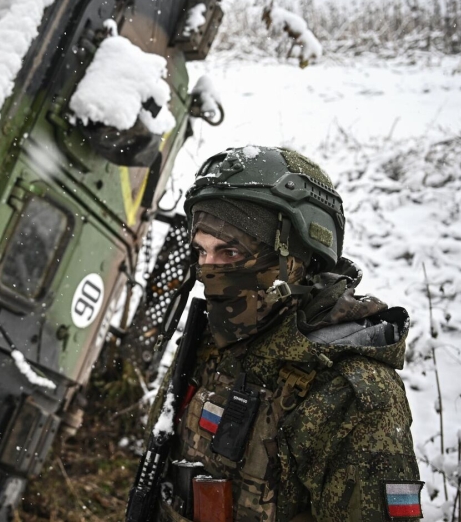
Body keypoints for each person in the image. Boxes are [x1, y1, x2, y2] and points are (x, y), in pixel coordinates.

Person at [152, 146, 422, 522]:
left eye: (230, 252)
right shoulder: (211, 344)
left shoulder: (351, 395)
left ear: (296, 258)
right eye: (201, 252)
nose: (208, 271)